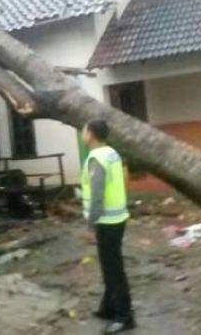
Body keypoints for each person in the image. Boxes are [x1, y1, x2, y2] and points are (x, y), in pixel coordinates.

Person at [80, 119, 135, 334]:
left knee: (113, 270)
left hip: (106, 222)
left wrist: (90, 225)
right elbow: (123, 180)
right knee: (109, 265)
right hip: (117, 217)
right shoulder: (111, 153)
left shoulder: (96, 159)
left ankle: (124, 316)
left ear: (91, 134)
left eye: (84, 131)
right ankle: (109, 307)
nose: (82, 134)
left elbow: (97, 196)